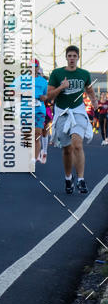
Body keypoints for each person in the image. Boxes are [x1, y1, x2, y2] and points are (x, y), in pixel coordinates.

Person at [47, 46, 97, 194]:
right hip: (62, 113)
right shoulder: (57, 73)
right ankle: (68, 178)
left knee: (77, 145)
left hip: (78, 112)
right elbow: (49, 96)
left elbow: (89, 89)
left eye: (74, 56)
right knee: (67, 150)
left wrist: (94, 101)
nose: (72, 58)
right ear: (66, 57)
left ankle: (81, 179)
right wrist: (61, 87)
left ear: (78, 57)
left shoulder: (84, 74)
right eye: (69, 56)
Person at [33, 60, 49, 163]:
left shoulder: (43, 81)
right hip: (25, 110)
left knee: (37, 134)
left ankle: (34, 160)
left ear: (38, 68)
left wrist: (44, 97)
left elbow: (47, 95)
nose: (33, 68)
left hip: (39, 109)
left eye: (35, 66)